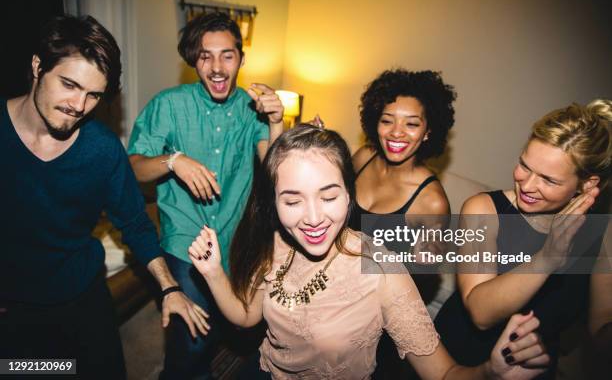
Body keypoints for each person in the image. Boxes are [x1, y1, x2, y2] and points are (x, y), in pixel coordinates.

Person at [187, 124, 550, 379]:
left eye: (328, 197)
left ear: (349, 193)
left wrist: (491, 372)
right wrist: (214, 272)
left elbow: (445, 372)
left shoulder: (381, 270)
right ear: (274, 205)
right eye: (293, 200)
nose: (313, 218)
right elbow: (248, 316)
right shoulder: (278, 239)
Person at [0, 15, 208, 379]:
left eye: (93, 94)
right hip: (16, 311)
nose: (79, 105)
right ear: (37, 66)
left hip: (84, 299)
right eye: (69, 84)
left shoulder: (103, 149)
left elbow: (135, 223)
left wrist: (170, 287)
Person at [127, 12, 284, 378]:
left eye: (227, 55)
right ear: (193, 61)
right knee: (192, 343)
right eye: (204, 56)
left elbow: (278, 172)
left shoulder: (252, 110)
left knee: (242, 328)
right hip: (186, 241)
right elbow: (133, 167)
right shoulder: (168, 104)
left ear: (241, 60)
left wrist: (278, 121)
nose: (216, 67)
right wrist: (173, 160)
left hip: (237, 238)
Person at [434, 100, 612, 378]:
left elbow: (601, 332)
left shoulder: (603, 235)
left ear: (587, 184)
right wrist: (549, 256)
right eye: (524, 166)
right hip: (460, 362)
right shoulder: (483, 208)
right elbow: (480, 313)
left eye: (548, 180)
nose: (527, 185)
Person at [348, 69, 456, 378]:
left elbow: (420, 276)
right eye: (387, 120)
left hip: (373, 322)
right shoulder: (364, 156)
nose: (397, 133)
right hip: (330, 290)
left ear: (428, 131)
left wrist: (427, 260)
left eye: (411, 123)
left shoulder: (431, 201)